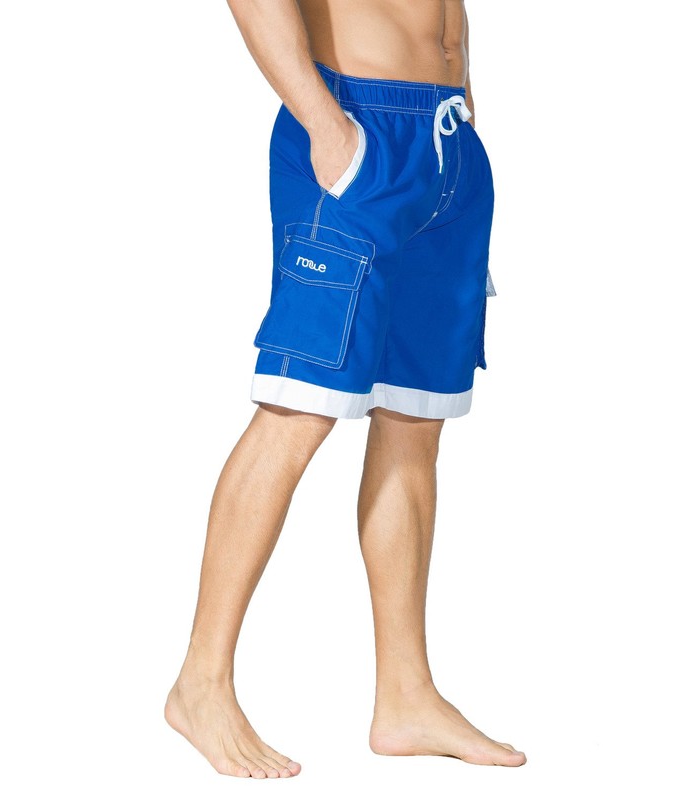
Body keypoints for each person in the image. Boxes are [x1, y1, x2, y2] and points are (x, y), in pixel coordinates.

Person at [165, 0, 525, 778]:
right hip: (354, 128)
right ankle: (201, 683)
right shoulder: (337, 132)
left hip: (447, 144)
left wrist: (463, 88)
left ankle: (406, 696)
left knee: (414, 420)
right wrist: (325, 124)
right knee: (297, 409)